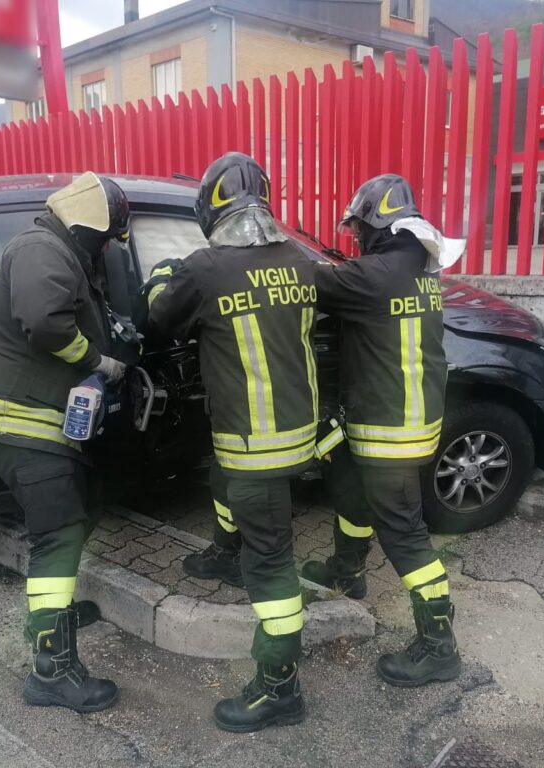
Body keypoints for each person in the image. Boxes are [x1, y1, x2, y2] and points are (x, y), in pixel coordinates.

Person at [144, 152, 319, 733]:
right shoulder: (298, 259)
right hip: (295, 440)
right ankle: (226, 556)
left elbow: (160, 319)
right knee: (228, 495)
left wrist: (164, 275)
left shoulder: (203, 269)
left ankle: (279, 688)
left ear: (210, 207)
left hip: (253, 448)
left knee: (272, 567)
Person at [0, 172, 131, 714]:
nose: (105, 249)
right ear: (87, 227)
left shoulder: (53, 247)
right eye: (105, 240)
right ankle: (52, 669)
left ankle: (50, 614)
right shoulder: (43, 248)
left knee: (74, 519)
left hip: (33, 420)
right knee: (58, 536)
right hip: (24, 424)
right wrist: (97, 360)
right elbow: (45, 323)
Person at [304, 174, 463, 687]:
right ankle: (347, 571)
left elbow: (304, 280)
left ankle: (439, 645)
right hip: (411, 418)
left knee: (406, 536)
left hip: (389, 428)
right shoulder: (419, 269)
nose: (353, 240)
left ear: (376, 221)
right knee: (351, 490)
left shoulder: (371, 275)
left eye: (357, 230)